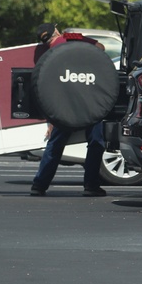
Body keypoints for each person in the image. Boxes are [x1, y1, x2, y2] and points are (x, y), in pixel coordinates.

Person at [29, 22, 108, 197]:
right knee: (95, 142)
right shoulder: (71, 39)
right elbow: (100, 48)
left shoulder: (43, 56)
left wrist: (50, 120)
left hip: (63, 105)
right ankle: (91, 185)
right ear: (56, 30)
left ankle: (39, 185)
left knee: (55, 144)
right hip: (88, 100)